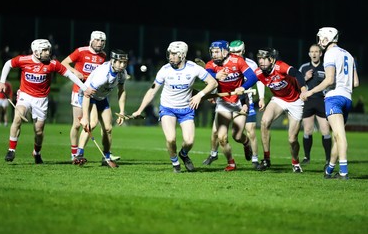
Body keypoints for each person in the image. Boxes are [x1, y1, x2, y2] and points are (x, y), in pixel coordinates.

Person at [0, 39, 95, 164]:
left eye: (48, 49)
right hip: (25, 95)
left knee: (38, 131)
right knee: (18, 117)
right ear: (36, 52)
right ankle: (11, 149)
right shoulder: (23, 60)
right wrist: (2, 82)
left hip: (41, 100)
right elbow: (8, 64)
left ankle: (36, 153)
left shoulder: (53, 64)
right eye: (44, 50)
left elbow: (69, 75)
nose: (48, 52)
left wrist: (84, 88)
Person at [131, 41, 218, 173]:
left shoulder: (193, 68)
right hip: (168, 108)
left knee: (189, 142)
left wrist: (199, 95)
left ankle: (183, 154)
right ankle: (175, 163)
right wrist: (139, 110)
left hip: (186, 109)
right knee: (171, 139)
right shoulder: (164, 70)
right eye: (169, 54)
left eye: (174, 54)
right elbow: (152, 91)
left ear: (182, 55)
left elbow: (213, 83)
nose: (170, 57)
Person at [301, 27, 359, 179]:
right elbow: (356, 82)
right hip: (347, 98)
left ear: (327, 39)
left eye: (321, 38)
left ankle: (344, 172)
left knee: (339, 135)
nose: (319, 41)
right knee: (336, 137)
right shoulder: (349, 55)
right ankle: (329, 170)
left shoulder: (329, 53)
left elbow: (330, 80)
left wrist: (310, 91)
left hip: (334, 98)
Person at [202, 40, 265, 169]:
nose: (214, 55)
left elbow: (253, 77)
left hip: (239, 101)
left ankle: (246, 144)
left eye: (217, 52)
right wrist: (215, 75)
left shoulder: (237, 61)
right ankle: (231, 162)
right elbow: (205, 74)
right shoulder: (211, 64)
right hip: (223, 103)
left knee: (237, 135)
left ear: (225, 52)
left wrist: (243, 86)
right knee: (222, 138)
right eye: (212, 52)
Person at [61, 31, 120, 162]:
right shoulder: (81, 51)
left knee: (100, 125)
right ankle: (74, 153)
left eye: (102, 41)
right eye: (97, 40)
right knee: (77, 124)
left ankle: (106, 153)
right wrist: (75, 72)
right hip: (79, 91)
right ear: (91, 40)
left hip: (94, 93)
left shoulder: (103, 56)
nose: (99, 43)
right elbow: (64, 63)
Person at [254, 47, 307, 173]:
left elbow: (298, 74)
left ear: (272, 60)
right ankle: (266, 159)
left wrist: (304, 89)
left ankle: (295, 162)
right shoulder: (259, 71)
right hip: (279, 99)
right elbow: (253, 79)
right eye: (259, 59)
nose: (261, 61)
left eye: (264, 59)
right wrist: (258, 96)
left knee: (292, 139)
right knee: (264, 122)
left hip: (296, 101)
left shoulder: (281, 66)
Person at [75, 49, 129, 168]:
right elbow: (87, 94)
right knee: (92, 123)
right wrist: (85, 117)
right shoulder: (103, 75)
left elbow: (121, 91)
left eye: (124, 62)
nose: (123, 65)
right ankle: (79, 154)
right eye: (120, 62)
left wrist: (121, 111)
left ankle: (106, 157)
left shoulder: (122, 73)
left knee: (108, 129)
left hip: (101, 98)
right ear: (113, 61)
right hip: (87, 96)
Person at [299, 44, 331, 165]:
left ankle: (328, 159)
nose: (314, 54)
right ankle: (307, 157)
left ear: (321, 53)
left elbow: (331, 82)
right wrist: (305, 78)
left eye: (316, 51)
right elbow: (297, 83)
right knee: (307, 130)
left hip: (322, 100)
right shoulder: (304, 67)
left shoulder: (326, 67)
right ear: (309, 54)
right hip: (308, 101)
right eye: (312, 51)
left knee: (325, 130)